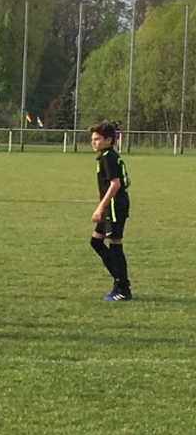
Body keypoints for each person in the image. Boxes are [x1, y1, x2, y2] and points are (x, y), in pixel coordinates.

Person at [89, 122, 132, 301]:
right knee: (96, 242)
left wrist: (100, 207)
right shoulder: (112, 156)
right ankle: (120, 281)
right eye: (92, 139)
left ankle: (122, 288)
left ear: (109, 140)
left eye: (97, 139)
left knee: (114, 243)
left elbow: (116, 184)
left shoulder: (107, 158)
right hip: (115, 206)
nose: (93, 142)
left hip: (113, 208)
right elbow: (127, 181)